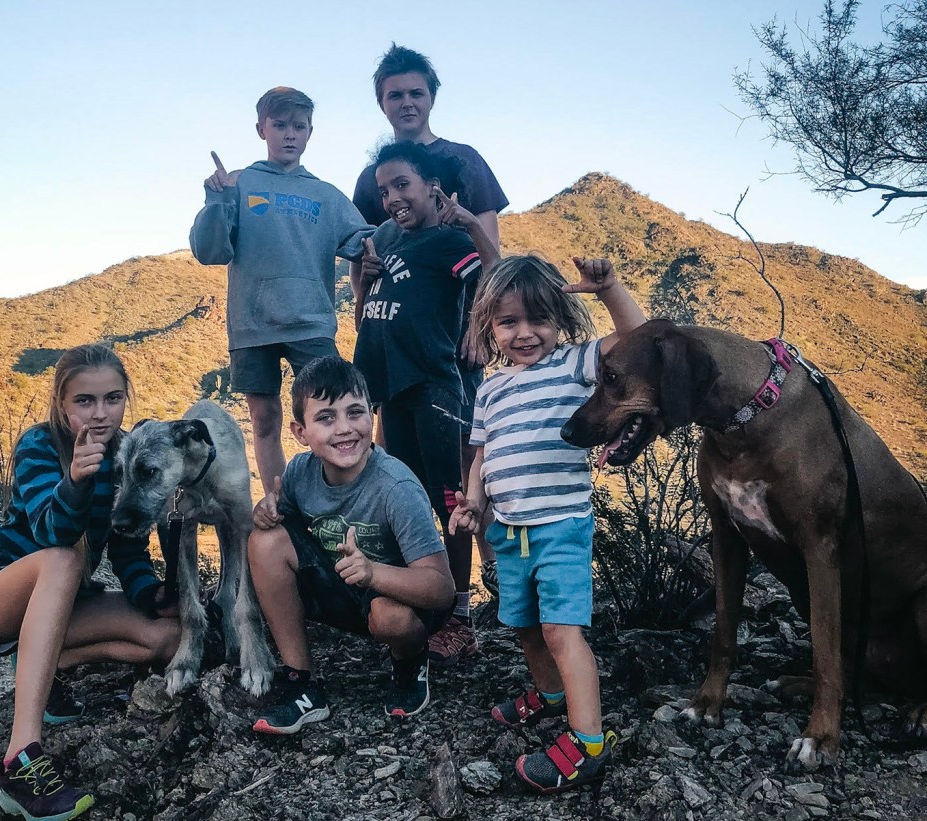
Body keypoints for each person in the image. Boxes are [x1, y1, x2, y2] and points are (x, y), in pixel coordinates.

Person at [449, 255, 646, 796]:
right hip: (508, 531)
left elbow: (639, 340)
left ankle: (587, 742)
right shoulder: (489, 390)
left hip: (561, 525)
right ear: (489, 325)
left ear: (560, 318)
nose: (525, 333)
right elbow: (482, 454)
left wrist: (610, 290)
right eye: (508, 322)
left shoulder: (574, 364)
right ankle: (550, 696)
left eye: (538, 319)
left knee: (562, 629)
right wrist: (472, 501)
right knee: (526, 626)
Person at [0, 343, 180, 821]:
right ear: (62, 402)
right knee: (63, 560)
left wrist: (150, 594)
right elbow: (49, 533)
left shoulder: (125, 453)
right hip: (3, 592)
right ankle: (21, 759)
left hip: (65, 602)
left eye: (113, 398)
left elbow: (127, 547)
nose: (100, 413)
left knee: (168, 637)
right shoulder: (39, 445)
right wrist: (77, 482)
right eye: (85, 401)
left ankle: (41, 659)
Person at [351, 44, 509, 611]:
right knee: (412, 482)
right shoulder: (377, 180)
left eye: (416, 92)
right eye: (395, 94)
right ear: (381, 103)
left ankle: (473, 591)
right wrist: (359, 275)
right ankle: (431, 590)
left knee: (460, 473)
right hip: (391, 371)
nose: (407, 102)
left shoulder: (462, 161)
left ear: (432, 97)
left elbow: (490, 258)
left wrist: (480, 323)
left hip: (443, 354)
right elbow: (370, 260)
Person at [247, 356, 455, 733]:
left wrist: (373, 572)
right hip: (342, 588)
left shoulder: (396, 488)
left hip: (400, 598)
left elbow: (442, 590)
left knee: (390, 617)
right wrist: (266, 512)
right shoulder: (298, 472)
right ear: (300, 432)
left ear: (371, 417)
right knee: (264, 541)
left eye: (355, 412)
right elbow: (284, 536)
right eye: (326, 418)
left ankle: (409, 661)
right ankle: (301, 683)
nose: (344, 429)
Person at [189, 86, 373, 494]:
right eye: (280, 125)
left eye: (299, 126)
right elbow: (209, 251)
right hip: (253, 324)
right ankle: (278, 503)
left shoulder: (326, 195)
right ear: (261, 129)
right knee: (265, 419)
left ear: (310, 132)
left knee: (335, 408)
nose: (289, 134)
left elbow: (366, 242)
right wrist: (216, 200)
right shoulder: (240, 182)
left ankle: (346, 495)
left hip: (312, 322)